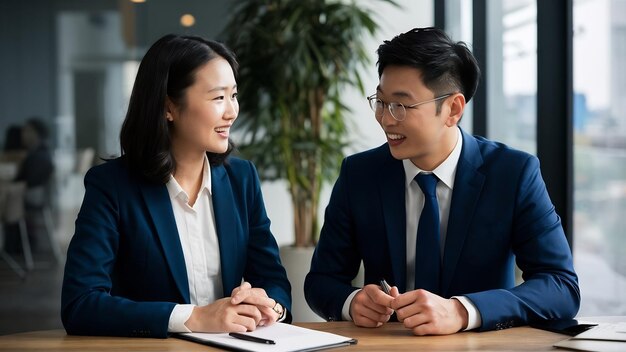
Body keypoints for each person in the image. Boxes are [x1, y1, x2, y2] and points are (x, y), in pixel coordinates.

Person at [304, 27, 579, 335]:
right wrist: (352, 301)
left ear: (453, 108)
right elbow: (321, 282)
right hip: (389, 345)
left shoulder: (513, 173)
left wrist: (462, 311)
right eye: (380, 102)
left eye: (401, 105)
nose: (386, 118)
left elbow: (561, 286)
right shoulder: (360, 174)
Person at [61, 34, 291, 338]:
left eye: (234, 95)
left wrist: (268, 306)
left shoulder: (242, 178)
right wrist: (193, 318)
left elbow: (274, 280)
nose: (232, 111)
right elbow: (80, 304)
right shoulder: (112, 187)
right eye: (218, 97)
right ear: (169, 107)